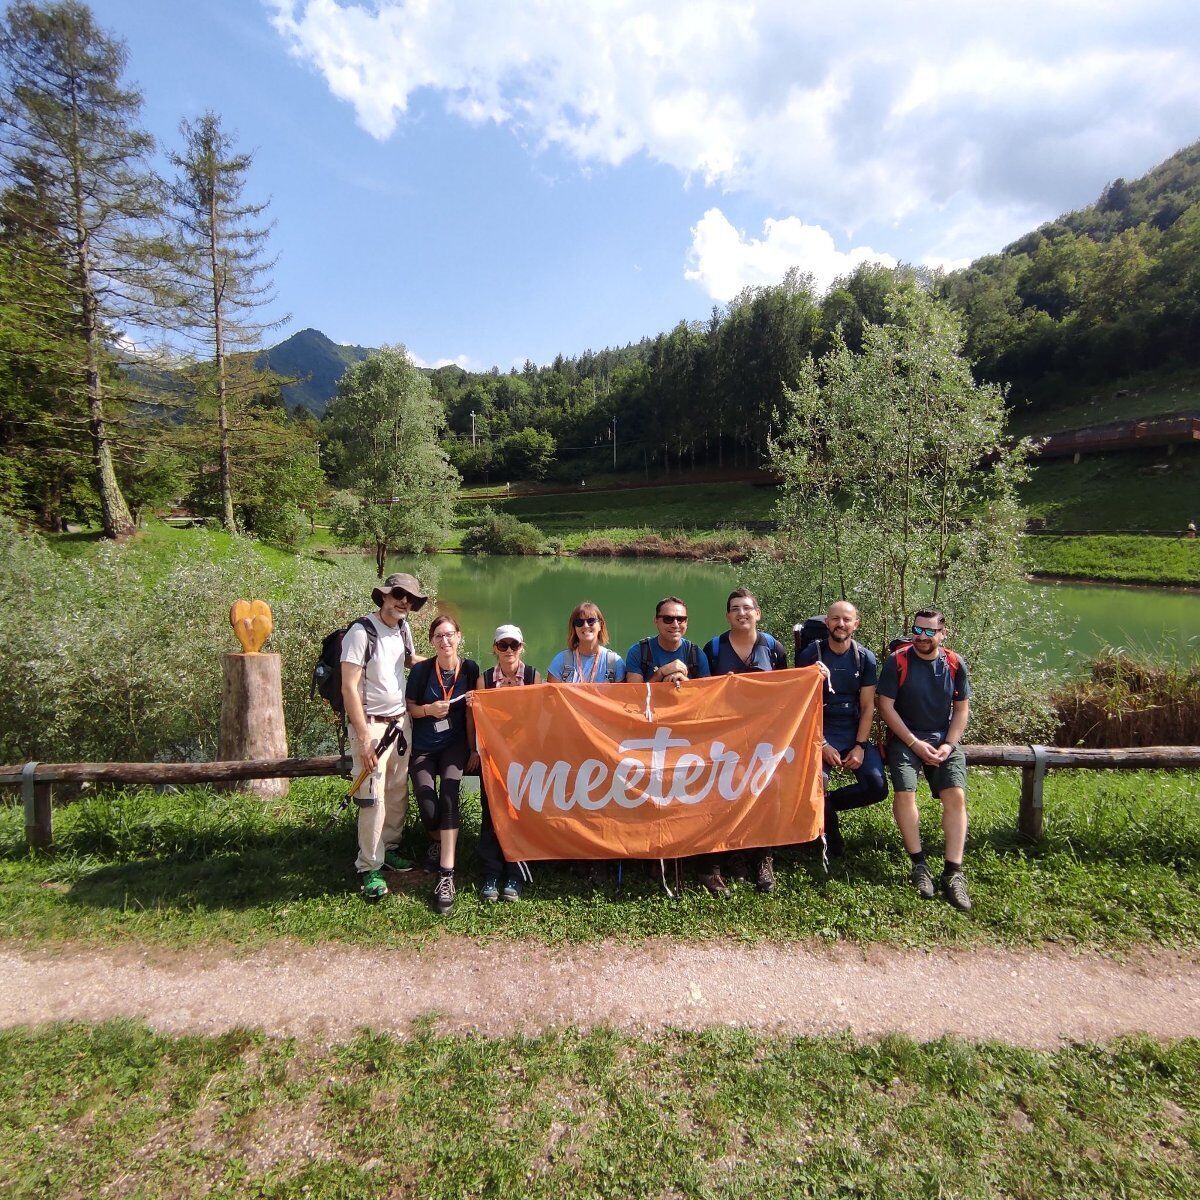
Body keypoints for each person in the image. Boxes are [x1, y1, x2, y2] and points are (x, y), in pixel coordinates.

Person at [875, 608, 973, 911]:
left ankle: (953, 872)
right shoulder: (898, 661)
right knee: (905, 793)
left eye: (930, 631)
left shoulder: (955, 664)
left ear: (943, 633)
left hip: (942, 740)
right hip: (905, 740)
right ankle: (919, 865)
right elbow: (886, 706)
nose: (922, 637)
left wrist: (949, 744)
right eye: (918, 630)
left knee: (955, 795)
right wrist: (914, 743)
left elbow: (961, 708)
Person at [340, 571, 426, 901]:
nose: (404, 602)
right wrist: (363, 738)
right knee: (371, 797)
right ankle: (369, 866)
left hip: (400, 723)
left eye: (410, 599)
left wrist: (447, 663)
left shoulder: (403, 629)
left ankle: (387, 848)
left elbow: (409, 661)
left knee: (395, 790)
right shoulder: (361, 632)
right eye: (399, 595)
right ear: (385, 596)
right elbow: (348, 686)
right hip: (372, 726)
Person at [702, 587, 789, 894]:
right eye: (735, 608)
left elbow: (788, 690)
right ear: (728, 615)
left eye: (747, 608)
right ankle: (735, 853)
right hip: (725, 737)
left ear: (757, 613)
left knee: (768, 790)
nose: (742, 613)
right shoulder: (712, 649)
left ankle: (764, 856)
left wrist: (813, 675)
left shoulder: (774, 648)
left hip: (765, 736)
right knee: (725, 791)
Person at [796, 600, 888, 858]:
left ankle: (829, 804)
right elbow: (801, 707)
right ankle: (832, 843)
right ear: (827, 622)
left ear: (855, 624)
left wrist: (859, 746)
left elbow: (868, 706)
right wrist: (822, 744)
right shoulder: (810, 655)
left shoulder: (865, 658)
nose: (840, 624)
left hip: (852, 728)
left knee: (877, 787)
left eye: (846, 619)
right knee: (815, 783)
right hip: (819, 728)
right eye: (835, 619)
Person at [405, 613, 481, 914]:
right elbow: (409, 708)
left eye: (450, 634)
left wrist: (474, 748)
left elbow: (475, 710)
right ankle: (437, 839)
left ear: (459, 637)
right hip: (423, 748)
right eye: (439, 636)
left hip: (454, 746)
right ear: (432, 642)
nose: (445, 640)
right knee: (428, 805)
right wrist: (428, 710)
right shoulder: (422, 671)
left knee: (449, 796)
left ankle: (446, 874)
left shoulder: (471, 668)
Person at [475, 624, 540, 903]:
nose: (509, 650)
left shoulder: (534, 676)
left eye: (514, 645)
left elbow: (540, 718)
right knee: (491, 813)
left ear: (522, 647)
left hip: (524, 758)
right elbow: (476, 722)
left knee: (520, 813)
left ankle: (516, 871)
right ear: (495, 649)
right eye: (503, 646)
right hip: (493, 758)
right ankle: (491, 871)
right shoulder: (484, 679)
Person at [625, 595, 711, 686]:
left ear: (686, 623)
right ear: (656, 621)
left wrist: (685, 683)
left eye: (681, 619)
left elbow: (705, 696)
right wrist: (660, 673)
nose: (675, 625)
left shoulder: (696, 654)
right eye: (668, 619)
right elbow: (634, 696)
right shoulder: (638, 652)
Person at [547, 600, 627, 684]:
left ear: (600, 625)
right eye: (579, 622)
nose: (585, 625)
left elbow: (622, 696)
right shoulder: (561, 661)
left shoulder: (614, 662)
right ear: (574, 628)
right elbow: (552, 696)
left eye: (591, 621)